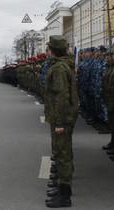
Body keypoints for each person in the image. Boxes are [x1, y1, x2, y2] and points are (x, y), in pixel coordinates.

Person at [44, 35, 79, 208]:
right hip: (64, 117)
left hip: (62, 118)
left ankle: (64, 196)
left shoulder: (59, 68)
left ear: (53, 50)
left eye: (49, 48)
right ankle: (62, 188)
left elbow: (61, 97)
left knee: (63, 154)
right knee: (63, 152)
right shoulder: (64, 65)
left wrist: (59, 122)